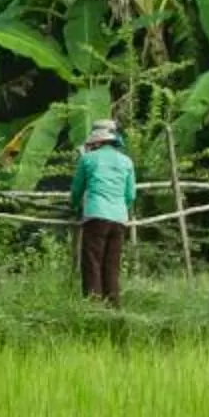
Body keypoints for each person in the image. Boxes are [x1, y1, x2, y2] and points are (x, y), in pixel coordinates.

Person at [70, 118, 137, 306]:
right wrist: (119, 206)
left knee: (92, 262)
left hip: (96, 215)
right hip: (119, 218)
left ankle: (93, 304)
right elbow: (131, 194)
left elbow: (77, 190)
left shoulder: (88, 159)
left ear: (97, 140)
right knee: (111, 264)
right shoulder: (126, 161)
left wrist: (74, 205)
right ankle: (113, 305)